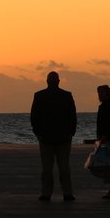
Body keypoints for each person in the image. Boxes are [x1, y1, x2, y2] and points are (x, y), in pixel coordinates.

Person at [29, 71, 76, 201]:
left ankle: (46, 193)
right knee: (64, 167)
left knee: (47, 168)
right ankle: (67, 193)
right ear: (58, 81)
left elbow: (34, 117)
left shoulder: (39, 96)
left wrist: (38, 133)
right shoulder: (66, 96)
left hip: (46, 137)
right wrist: (71, 133)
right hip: (62, 137)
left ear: (47, 81)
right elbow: (72, 116)